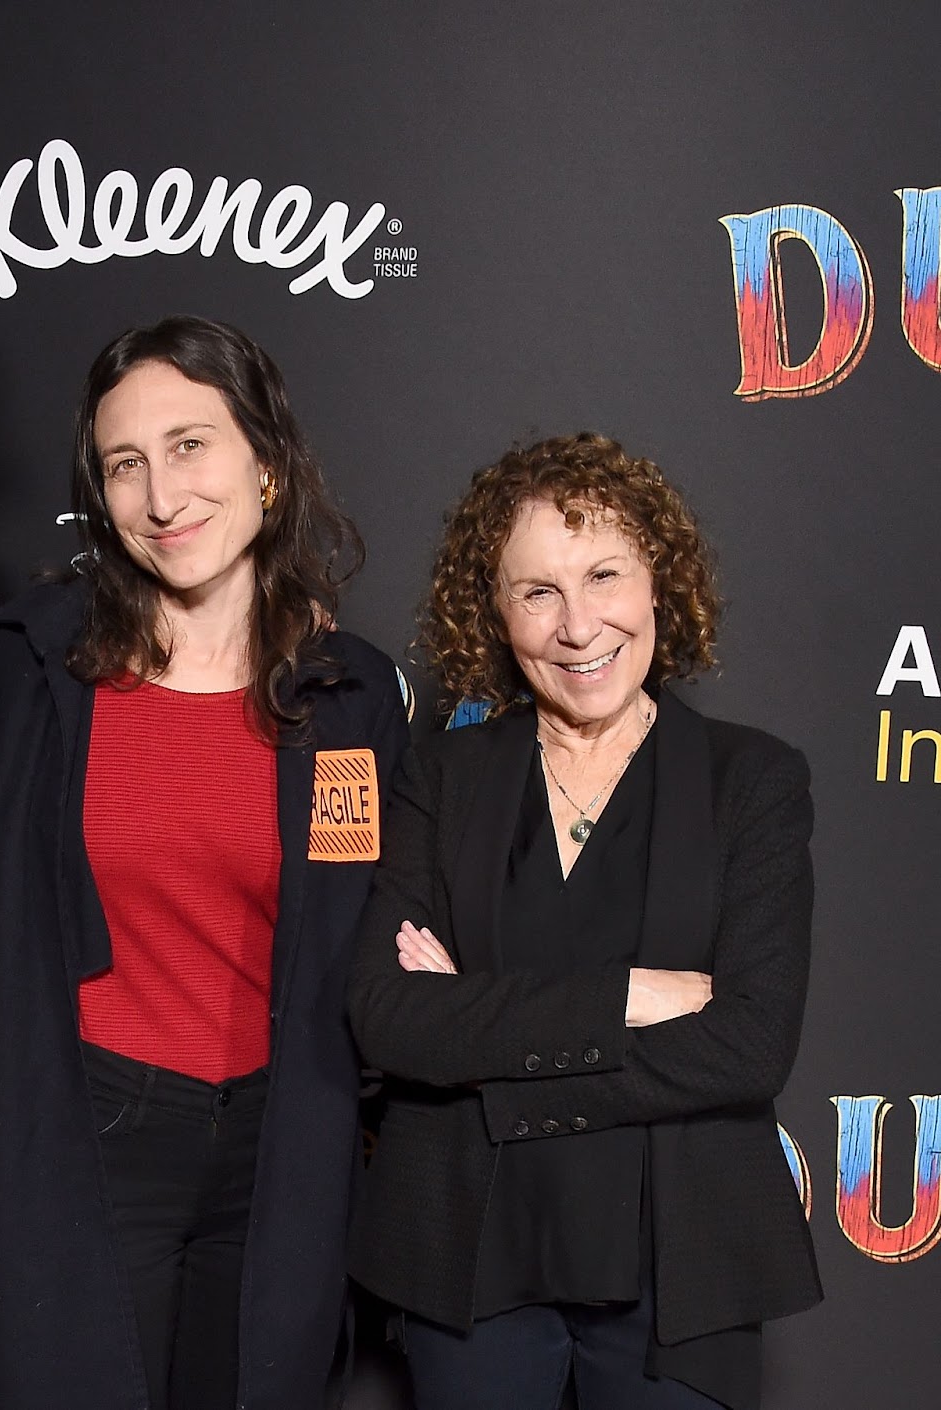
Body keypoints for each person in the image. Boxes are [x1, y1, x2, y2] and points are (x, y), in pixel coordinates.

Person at [0, 315, 409, 1410]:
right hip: (93, 1137)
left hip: (284, 1148)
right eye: (125, 464)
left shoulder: (352, 696)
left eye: (191, 445)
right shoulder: (33, 665)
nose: (162, 495)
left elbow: (360, 927)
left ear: (268, 463)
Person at [348, 432, 822, 1409]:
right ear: (492, 611)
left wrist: (487, 1041)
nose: (578, 626)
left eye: (604, 575)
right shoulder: (440, 779)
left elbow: (745, 1045)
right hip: (467, 1259)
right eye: (537, 592)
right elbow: (389, 1016)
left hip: (677, 1263)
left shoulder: (751, 781)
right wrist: (629, 997)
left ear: (658, 583)